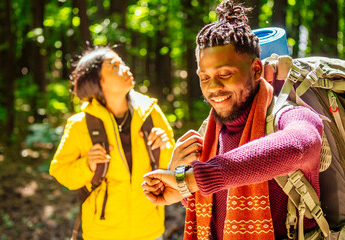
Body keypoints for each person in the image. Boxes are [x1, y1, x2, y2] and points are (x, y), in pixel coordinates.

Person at [142, 1, 324, 239]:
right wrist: (182, 188)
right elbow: (215, 210)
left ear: (256, 70)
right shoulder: (208, 135)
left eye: (225, 74)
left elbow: (303, 143)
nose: (213, 88)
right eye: (204, 77)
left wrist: (193, 178)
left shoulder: (288, 116)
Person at [49, 46, 175, 240]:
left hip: (149, 229)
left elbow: (172, 166)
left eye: (122, 63)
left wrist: (165, 148)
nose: (125, 68)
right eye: (114, 66)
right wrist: (87, 165)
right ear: (98, 82)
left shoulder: (151, 112)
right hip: (103, 232)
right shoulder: (79, 124)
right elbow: (60, 171)